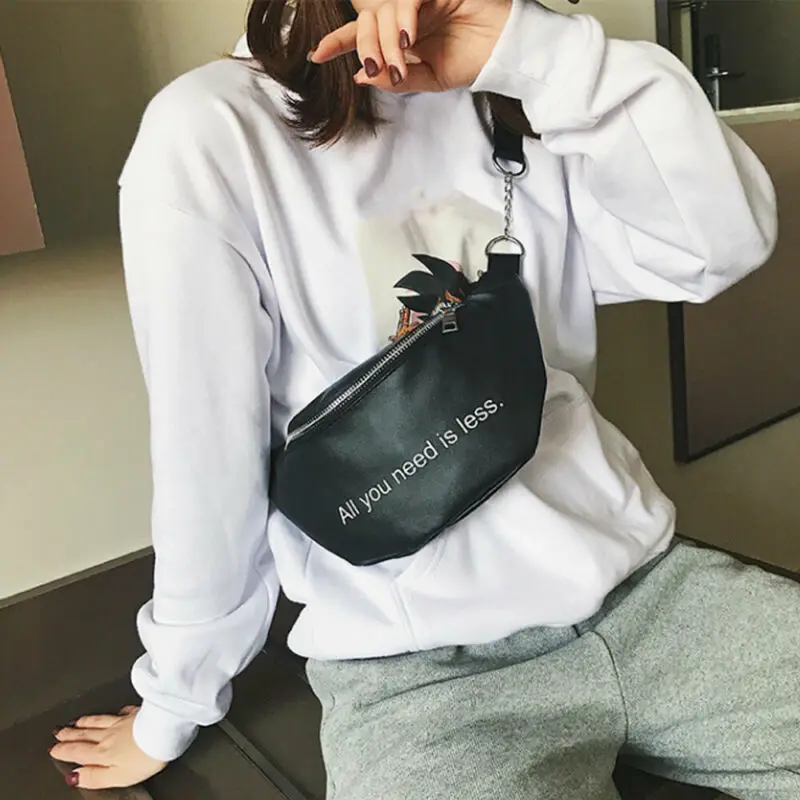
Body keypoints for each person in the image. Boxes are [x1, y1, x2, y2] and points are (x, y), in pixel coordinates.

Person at [49, 0, 797, 797]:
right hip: (420, 676)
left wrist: (538, 53)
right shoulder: (212, 131)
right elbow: (209, 461)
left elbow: (715, 247)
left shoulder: (519, 91)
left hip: (649, 595)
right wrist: (173, 703)